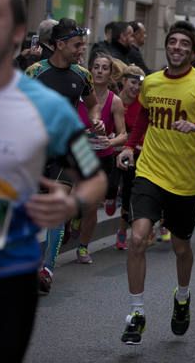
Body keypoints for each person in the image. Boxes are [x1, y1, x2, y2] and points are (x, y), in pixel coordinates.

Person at [0, 0, 107, 361]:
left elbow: (93, 176)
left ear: (18, 33)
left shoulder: (50, 109)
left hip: (5, 276)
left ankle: (46, 268)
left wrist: (72, 204)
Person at [116, 22, 195, 345]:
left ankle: (182, 296)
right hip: (150, 172)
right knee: (138, 237)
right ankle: (136, 313)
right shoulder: (151, 82)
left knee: (181, 248)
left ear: (192, 52)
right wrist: (130, 146)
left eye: (184, 43)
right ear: (166, 47)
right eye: (173, 42)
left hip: (184, 182)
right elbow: (144, 116)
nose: (178, 47)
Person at [25, 17, 103, 293]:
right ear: (59, 44)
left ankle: (46, 270)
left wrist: (95, 119)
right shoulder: (34, 72)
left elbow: (93, 104)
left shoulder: (83, 75)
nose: (82, 50)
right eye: (77, 45)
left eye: (83, 45)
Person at [74, 52, 128, 263]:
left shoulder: (115, 101)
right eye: (96, 66)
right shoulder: (78, 95)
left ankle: (83, 247)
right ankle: (74, 217)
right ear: (90, 69)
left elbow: (123, 135)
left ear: (110, 73)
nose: (99, 71)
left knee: (91, 205)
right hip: (78, 152)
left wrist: (110, 142)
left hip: (102, 157)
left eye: (104, 68)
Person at [116, 64, 146, 250]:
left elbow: (142, 130)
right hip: (113, 149)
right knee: (110, 186)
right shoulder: (115, 101)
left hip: (137, 152)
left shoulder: (142, 103)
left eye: (139, 85)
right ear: (124, 81)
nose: (135, 88)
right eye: (133, 83)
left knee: (129, 193)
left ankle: (122, 231)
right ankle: (110, 196)